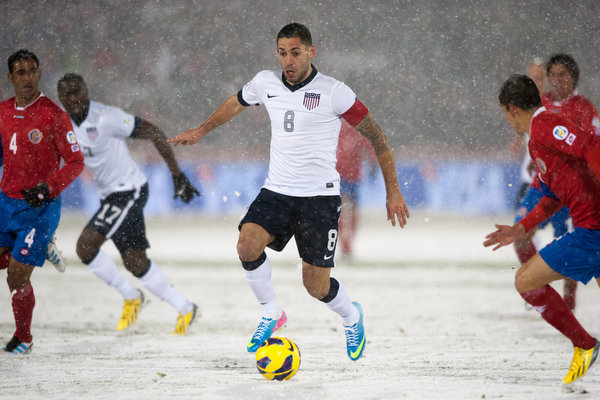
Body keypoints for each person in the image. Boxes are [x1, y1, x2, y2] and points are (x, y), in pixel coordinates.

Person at [169, 23, 409, 361]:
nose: (288, 61)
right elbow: (234, 104)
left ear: (312, 51)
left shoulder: (334, 91)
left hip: (320, 198)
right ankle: (271, 313)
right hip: (277, 191)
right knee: (246, 244)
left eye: (295, 52)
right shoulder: (266, 82)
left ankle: (351, 316)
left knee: (316, 286)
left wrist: (393, 192)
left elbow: (378, 137)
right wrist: (202, 129)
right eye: (283, 53)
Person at [57, 73, 200, 334]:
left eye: (78, 92)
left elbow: (155, 132)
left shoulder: (106, 117)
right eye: (68, 94)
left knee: (85, 246)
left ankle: (131, 297)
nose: (75, 99)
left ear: (86, 91)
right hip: (110, 195)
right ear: (61, 99)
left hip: (129, 190)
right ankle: (186, 308)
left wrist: (177, 175)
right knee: (135, 261)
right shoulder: (62, 124)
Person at [485, 74, 600, 384]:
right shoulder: (537, 137)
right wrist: (520, 228)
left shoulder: (546, 125)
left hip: (593, 230)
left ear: (510, 108)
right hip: (591, 227)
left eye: (505, 114)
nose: (507, 121)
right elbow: (551, 197)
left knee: (525, 281)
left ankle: (584, 344)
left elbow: (592, 145)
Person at [0, 49, 85, 354]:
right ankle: (44, 246)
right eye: (20, 72)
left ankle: (24, 337)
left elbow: (75, 161)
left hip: (39, 209)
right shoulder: (2, 111)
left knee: (16, 275)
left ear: (39, 74)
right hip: (5, 204)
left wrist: (47, 189)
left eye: (32, 71)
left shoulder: (53, 114)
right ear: (10, 77)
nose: (27, 77)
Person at [513, 54, 600, 310]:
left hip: (573, 190)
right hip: (542, 183)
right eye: (554, 75)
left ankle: (568, 301)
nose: (557, 80)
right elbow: (531, 130)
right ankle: (539, 287)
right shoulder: (542, 103)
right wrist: (530, 153)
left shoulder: (584, 109)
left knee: (570, 244)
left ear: (573, 77)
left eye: (562, 75)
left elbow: (590, 147)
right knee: (521, 232)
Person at [336, 119, 375, 259]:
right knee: (341, 211)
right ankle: (344, 244)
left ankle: (349, 243)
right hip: (338, 177)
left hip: (354, 177)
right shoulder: (335, 129)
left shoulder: (357, 132)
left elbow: (370, 146)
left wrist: (373, 162)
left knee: (352, 211)